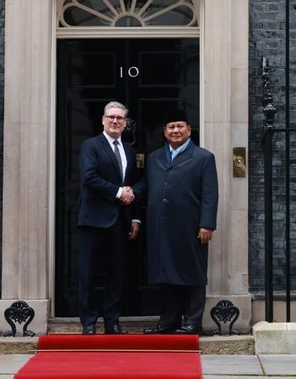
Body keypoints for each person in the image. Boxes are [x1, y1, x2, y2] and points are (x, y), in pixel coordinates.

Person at [141, 109, 218, 335]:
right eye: (171, 127)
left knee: (193, 273)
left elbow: (210, 193)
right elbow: (146, 186)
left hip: (191, 226)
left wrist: (207, 224)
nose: (175, 130)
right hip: (161, 227)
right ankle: (169, 321)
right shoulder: (154, 158)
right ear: (165, 132)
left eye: (179, 126)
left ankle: (193, 321)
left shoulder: (204, 157)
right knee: (166, 274)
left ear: (188, 130)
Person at [76, 101, 142, 335]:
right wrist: (118, 193)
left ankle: (112, 321)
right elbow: (89, 177)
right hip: (93, 220)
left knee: (116, 274)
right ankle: (89, 322)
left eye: (120, 118)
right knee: (89, 273)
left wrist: (135, 217)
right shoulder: (90, 146)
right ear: (103, 120)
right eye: (111, 117)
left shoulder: (130, 150)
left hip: (120, 221)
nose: (115, 121)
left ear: (125, 123)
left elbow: (136, 182)